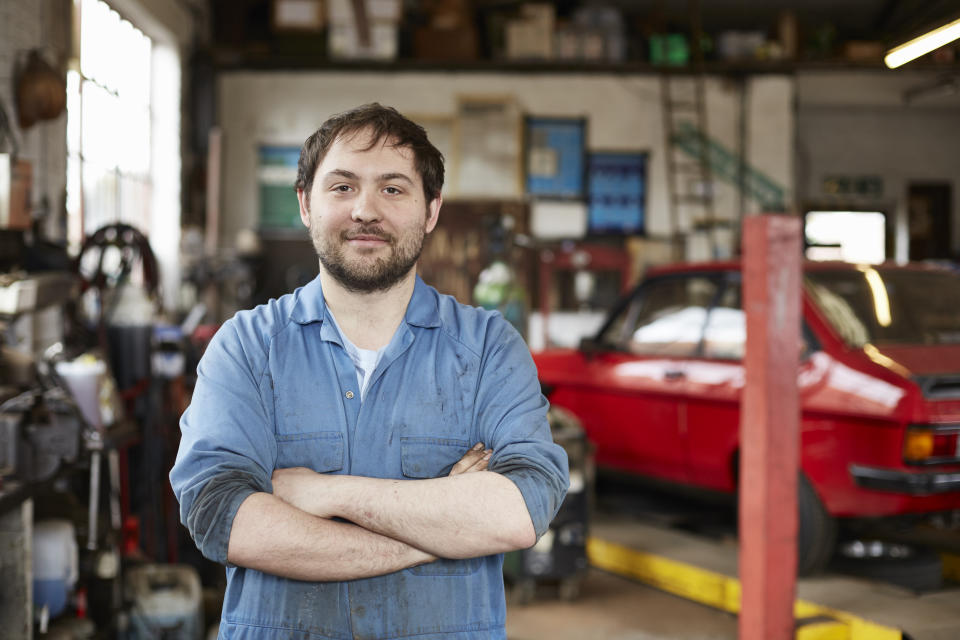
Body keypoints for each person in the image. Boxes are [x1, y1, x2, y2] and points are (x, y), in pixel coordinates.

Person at [170, 103, 569, 639]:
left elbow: (522, 509)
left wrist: (330, 495)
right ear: (305, 204)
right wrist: (439, 531)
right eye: (341, 187)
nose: (365, 210)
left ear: (430, 210)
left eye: (393, 189)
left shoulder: (488, 351)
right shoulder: (245, 348)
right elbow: (221, 516)